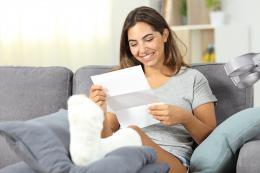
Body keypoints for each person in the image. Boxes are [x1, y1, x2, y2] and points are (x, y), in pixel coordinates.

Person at [68, 6, 217, 173]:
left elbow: (212, 141)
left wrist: (184, 118)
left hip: (173, 162)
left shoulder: (193, 78)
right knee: (121, 147)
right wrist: (100, 114)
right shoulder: (121, 81)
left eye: (148, 39)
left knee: (134, 133)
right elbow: (107, 139)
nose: (142, 49)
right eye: (134, 44)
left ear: (165, 35)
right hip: (126, 157)